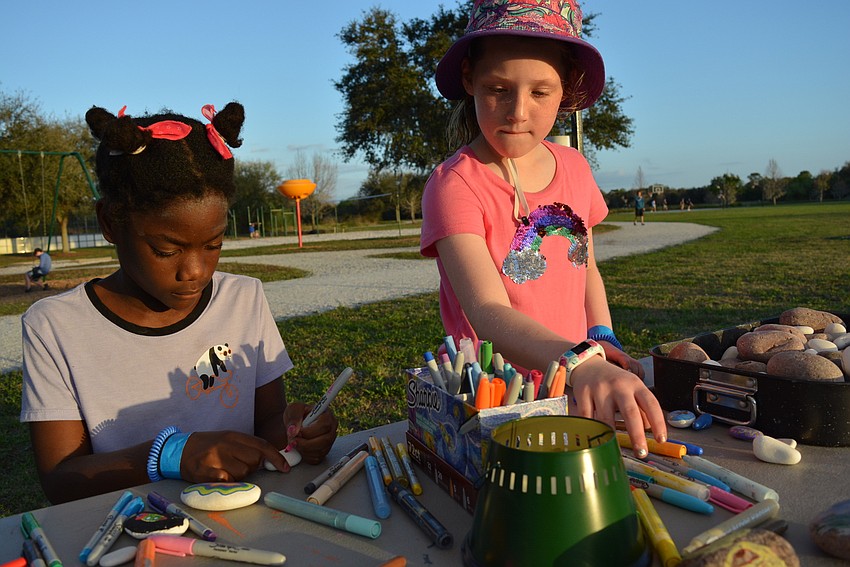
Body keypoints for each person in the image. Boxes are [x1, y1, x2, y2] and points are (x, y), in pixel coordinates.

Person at [20, 102, 338, 504]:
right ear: (109, 223)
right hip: (133, 533)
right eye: (166, 249)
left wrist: (301, 430)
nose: (195, 271)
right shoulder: (54, 327)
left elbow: (269, 421)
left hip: (243, 519)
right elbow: (61, 480)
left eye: (214, 244)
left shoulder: (244, 299)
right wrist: (171, 455)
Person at [420, 0, 666, 456]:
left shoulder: (574, 167)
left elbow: (585, 266)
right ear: (470, 79)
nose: (517, 111)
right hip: (495, 398)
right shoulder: (454, 184)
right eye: (498, 88)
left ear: (566, 89)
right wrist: (578, 362)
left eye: (540, 93)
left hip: (572, 384)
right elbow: (486, 311)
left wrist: (601, 338)